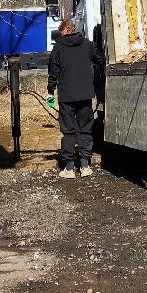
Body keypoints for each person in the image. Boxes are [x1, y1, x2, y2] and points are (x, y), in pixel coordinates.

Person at [47, 18, 102, 178]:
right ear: (73, 29)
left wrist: (50, 90)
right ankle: (85, 166)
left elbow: (54, 72)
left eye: (60, 31)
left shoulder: (58, 48)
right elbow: (100, 59)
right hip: (85, 94)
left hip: (66, 96)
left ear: (64, 31)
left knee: (68, 131)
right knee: (85, 129)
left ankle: (69, 168)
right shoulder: (86, 44)